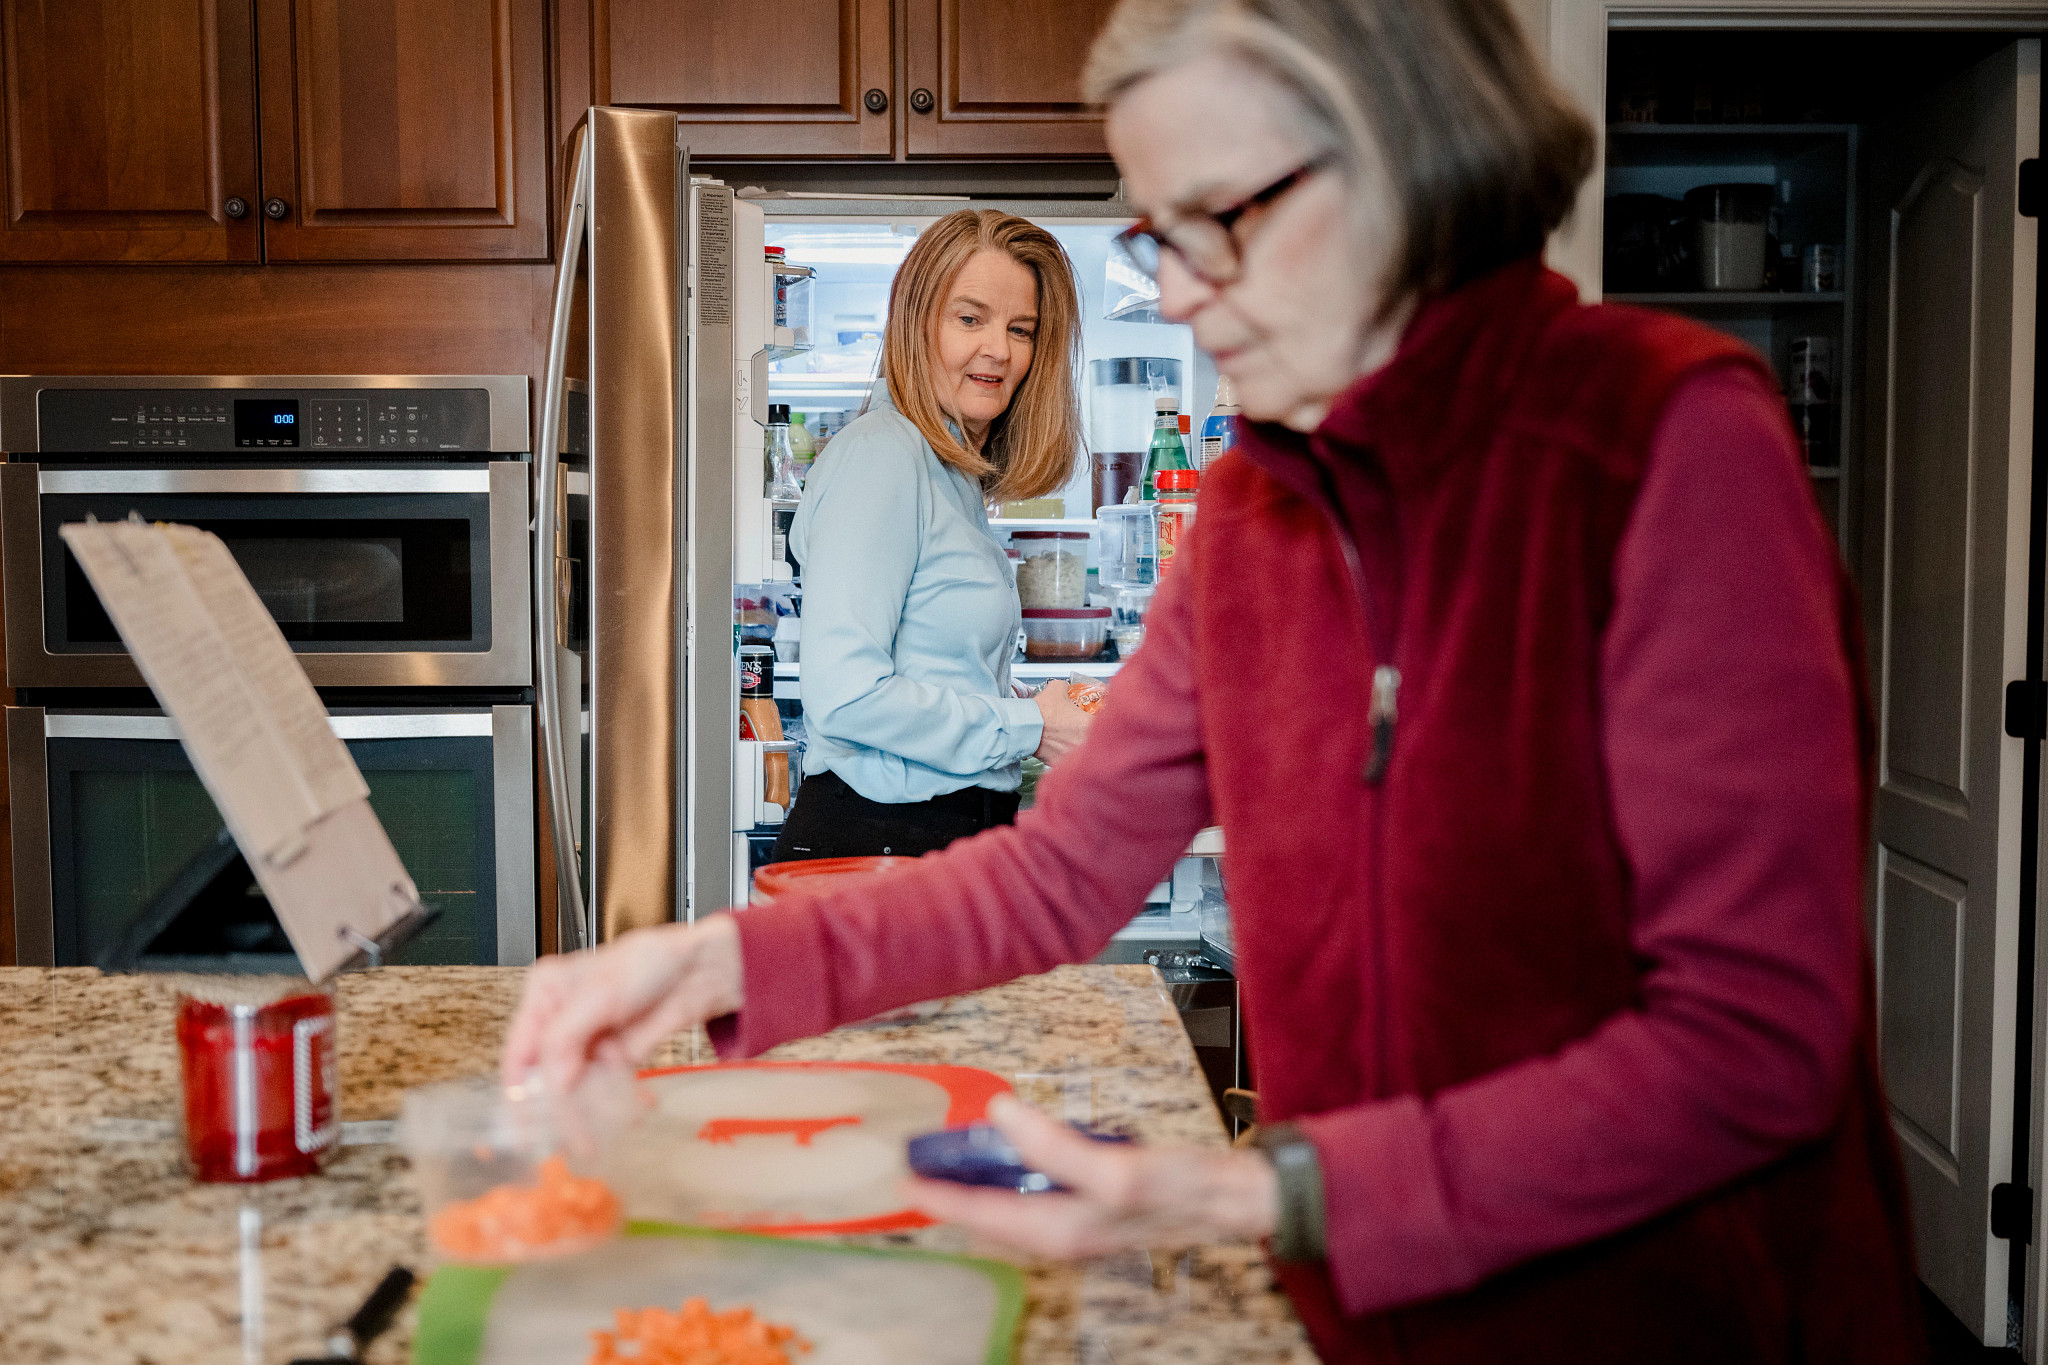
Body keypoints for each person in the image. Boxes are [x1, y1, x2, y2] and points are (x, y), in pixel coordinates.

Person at [505, 1, 1922, 1359]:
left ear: (1402, 159)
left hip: (1662, 1322)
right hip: (1353, 1317)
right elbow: (1055, 875)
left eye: (1216, 224)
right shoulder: (1253, 515)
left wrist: (1271, 1193)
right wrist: (711, 960)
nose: (1176, 288)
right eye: (1155, 235)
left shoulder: (1665, 441)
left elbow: (1753, 1045)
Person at [770, 209, 1093, 863]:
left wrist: (1014, 699)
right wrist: (1030, 727)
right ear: (919, 325)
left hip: (933, 842)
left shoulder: (952, 473)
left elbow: (922, 661)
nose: (998, 349)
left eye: (1020, 329)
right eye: (970, 319)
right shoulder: (884, 455)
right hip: (877, 845)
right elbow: (847, 696)